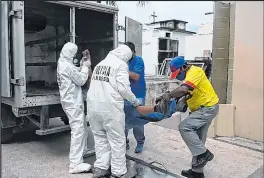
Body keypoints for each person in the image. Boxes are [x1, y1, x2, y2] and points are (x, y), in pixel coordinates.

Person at [86, 44, 169, 178]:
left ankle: (101, 168)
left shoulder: (100, 64)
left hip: (93, 107)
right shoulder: (120, 65)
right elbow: (124, 89)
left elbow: (92, 84)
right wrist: (135, 102)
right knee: (117, 140)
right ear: (126, 56)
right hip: (110, 108)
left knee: (100, 138)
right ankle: (119, 172)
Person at [156, 56, 219, 178]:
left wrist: (168, 95)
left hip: (207, 107)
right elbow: (186, 92)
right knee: (198, 141)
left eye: (177, 73)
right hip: (201, 109)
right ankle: (197, 173)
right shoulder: (189, 76)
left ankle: (205, 154)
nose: (177, 76)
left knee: (184, 127)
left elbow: (184, 88)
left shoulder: (195, 71)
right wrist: (176, 99)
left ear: (184, 67)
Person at [57, 42, 92, 174]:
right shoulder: (67, 66)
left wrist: (82, 65)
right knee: (77, 131)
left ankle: (82, 152)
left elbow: (73, 71)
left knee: (81, 127)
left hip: (69, 101)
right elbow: (82, 80)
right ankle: (75, 164)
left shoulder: (62, 62)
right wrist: (86, 67)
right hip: (73, 102)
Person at [123, 42, 147, 154]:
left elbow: (136, 76)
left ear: (133, 52)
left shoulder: (138, 60)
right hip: (125, 95)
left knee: (138, 120)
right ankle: (124, 141)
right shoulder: (123, 61)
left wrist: (121, 69)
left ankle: (140, 142)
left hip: (138, 95)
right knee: (123, 120)